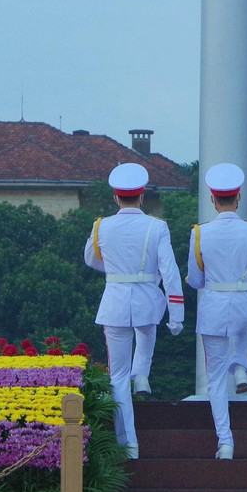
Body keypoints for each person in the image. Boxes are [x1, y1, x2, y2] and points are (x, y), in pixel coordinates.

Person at [84, 162, 184, 460]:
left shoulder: (102, 225)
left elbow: (91, 259)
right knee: (146, 331)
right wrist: (176, 314)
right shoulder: (157, 226)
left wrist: (115, 270)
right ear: (142, 196)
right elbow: (170, 270)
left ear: (116, 197)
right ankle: (143, 375)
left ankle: (128, 443)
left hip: (115, 299)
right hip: (146, 298)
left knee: (117, 376)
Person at [186, 163, 247, 460]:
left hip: (214, 306)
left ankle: (225, 441)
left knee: (214, 380)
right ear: (238, 198)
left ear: (213, 200)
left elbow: (196, 280)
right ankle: (239, 367)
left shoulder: (200, 234)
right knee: (241, 323)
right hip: (245, 304)